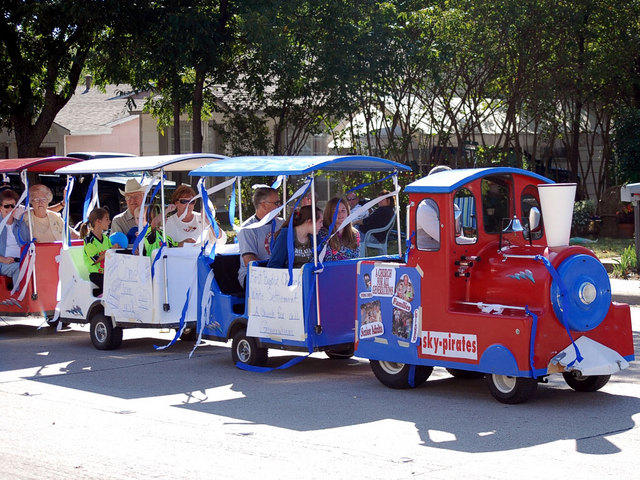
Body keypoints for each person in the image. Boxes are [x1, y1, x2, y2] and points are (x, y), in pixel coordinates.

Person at [237, 187, 284, 287]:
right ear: (263, 205)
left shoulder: (282, 223)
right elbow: (249, 261)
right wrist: (273, 271)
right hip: (252, 275)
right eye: (276, 203)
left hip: (279, 272)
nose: (280, 206)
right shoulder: (247, 228)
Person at [80, 208, 122, 296]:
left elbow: (112, 255)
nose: (109, 221)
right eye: (106, 219)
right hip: (96, 275)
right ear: (98, 221)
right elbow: (95, 259)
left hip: (107, 273)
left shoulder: (106, 238)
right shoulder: (89, 240)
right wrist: (111, 250)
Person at [0, 190, 29, 288]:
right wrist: (2, 259)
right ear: (0, 208)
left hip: (23, 260)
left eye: (13, 206)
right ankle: (20, 298)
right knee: (19, 269)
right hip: (4, 263)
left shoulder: (21, 224)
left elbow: (29, 244)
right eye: (6, 206)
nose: (10, 209)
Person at [318, 197, 360, 261]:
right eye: (335, 211)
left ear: (348, 212)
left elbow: (356, 258)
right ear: (329, 213)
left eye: (343, 210)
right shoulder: (322, 233)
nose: (340, 214)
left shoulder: (355, 233)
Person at [111, 179, 145, 244]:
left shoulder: (151, 216)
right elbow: (118, 246)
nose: (132, 200)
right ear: (125, 200)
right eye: (128, 197)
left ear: (143, 196)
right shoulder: (118, 220)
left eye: (136, 196)